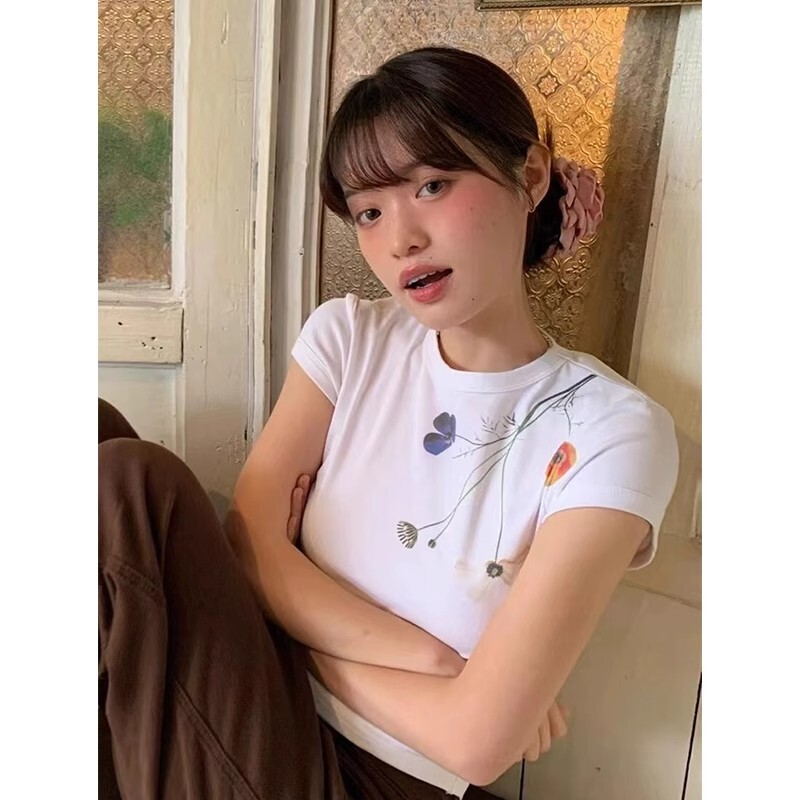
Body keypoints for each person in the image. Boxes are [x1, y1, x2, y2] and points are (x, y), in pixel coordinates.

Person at [99, 46, 678, 800]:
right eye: (369, 211)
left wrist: (292, 613)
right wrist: (441, 664)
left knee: (128, 485)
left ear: (531, 176)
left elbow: (475, 744)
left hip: (373, 778)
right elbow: (247, 544)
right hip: (259, 694)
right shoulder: (350, 338)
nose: (400, 239)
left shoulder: (611, 430)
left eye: (432, 185)